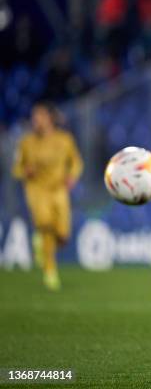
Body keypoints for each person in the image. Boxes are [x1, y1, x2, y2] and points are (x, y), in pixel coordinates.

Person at [12, 102, 83, 291]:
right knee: (45, 225)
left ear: (50, 118)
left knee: (63, 235)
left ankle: (42, 246)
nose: (36, 120)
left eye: (40, 116)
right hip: (37, 189)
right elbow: (17, 168)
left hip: (59, 189)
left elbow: (76, 162)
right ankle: (50, 271)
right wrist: (24, 171)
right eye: (34, 117)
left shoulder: (65, 139)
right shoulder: (26, 142)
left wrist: (72, 176)